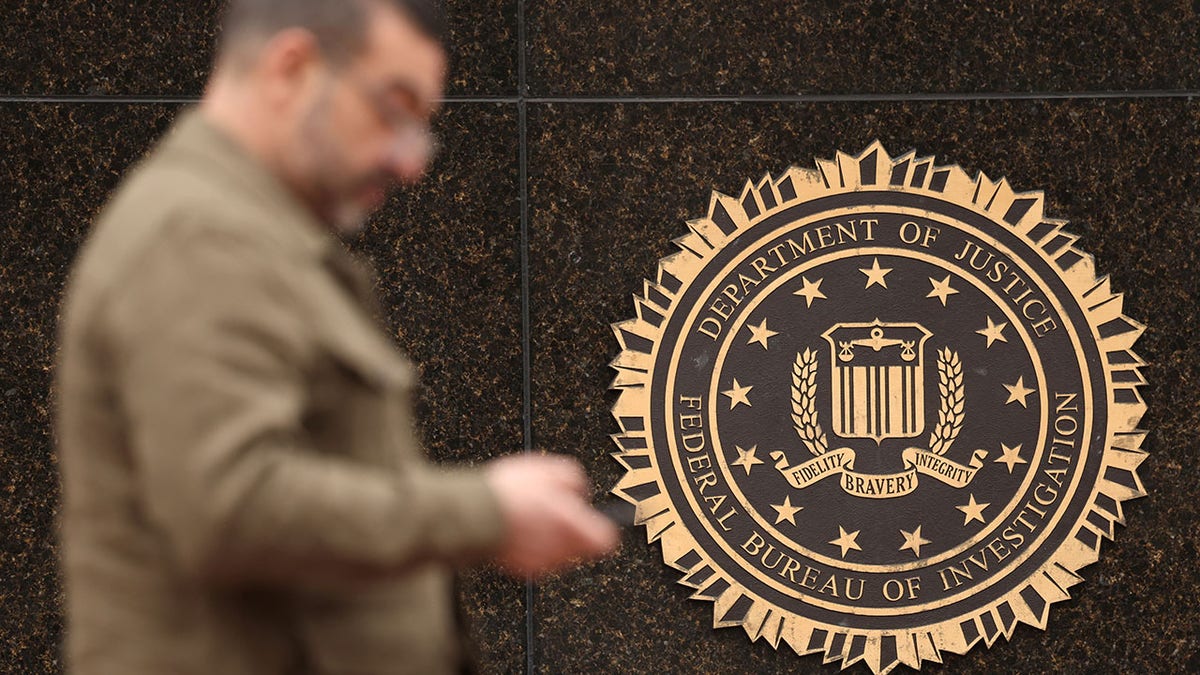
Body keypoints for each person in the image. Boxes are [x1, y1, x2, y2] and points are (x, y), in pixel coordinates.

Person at [54, 1, 618, 673]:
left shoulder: (247, 233)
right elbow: (229, 505)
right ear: (291, 67)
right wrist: (483, 513)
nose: (410, 161)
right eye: (393, 108)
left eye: (421, 125)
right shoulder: (197, 237)